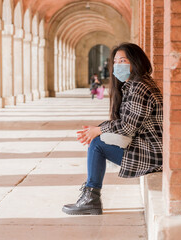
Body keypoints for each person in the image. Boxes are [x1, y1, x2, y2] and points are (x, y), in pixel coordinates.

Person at [62, 43, 163, 215]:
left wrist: (99, 130)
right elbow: (126, 122)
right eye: (115, 61)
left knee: (97, 144)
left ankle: (91, 197)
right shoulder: (135, 84)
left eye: (123, 60)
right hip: (149, 146)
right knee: (97, 140)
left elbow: (127, 127)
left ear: (135, 62)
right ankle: (90, 195)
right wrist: (99, 129)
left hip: (153, 152)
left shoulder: (140, 87)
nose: (118, 65)